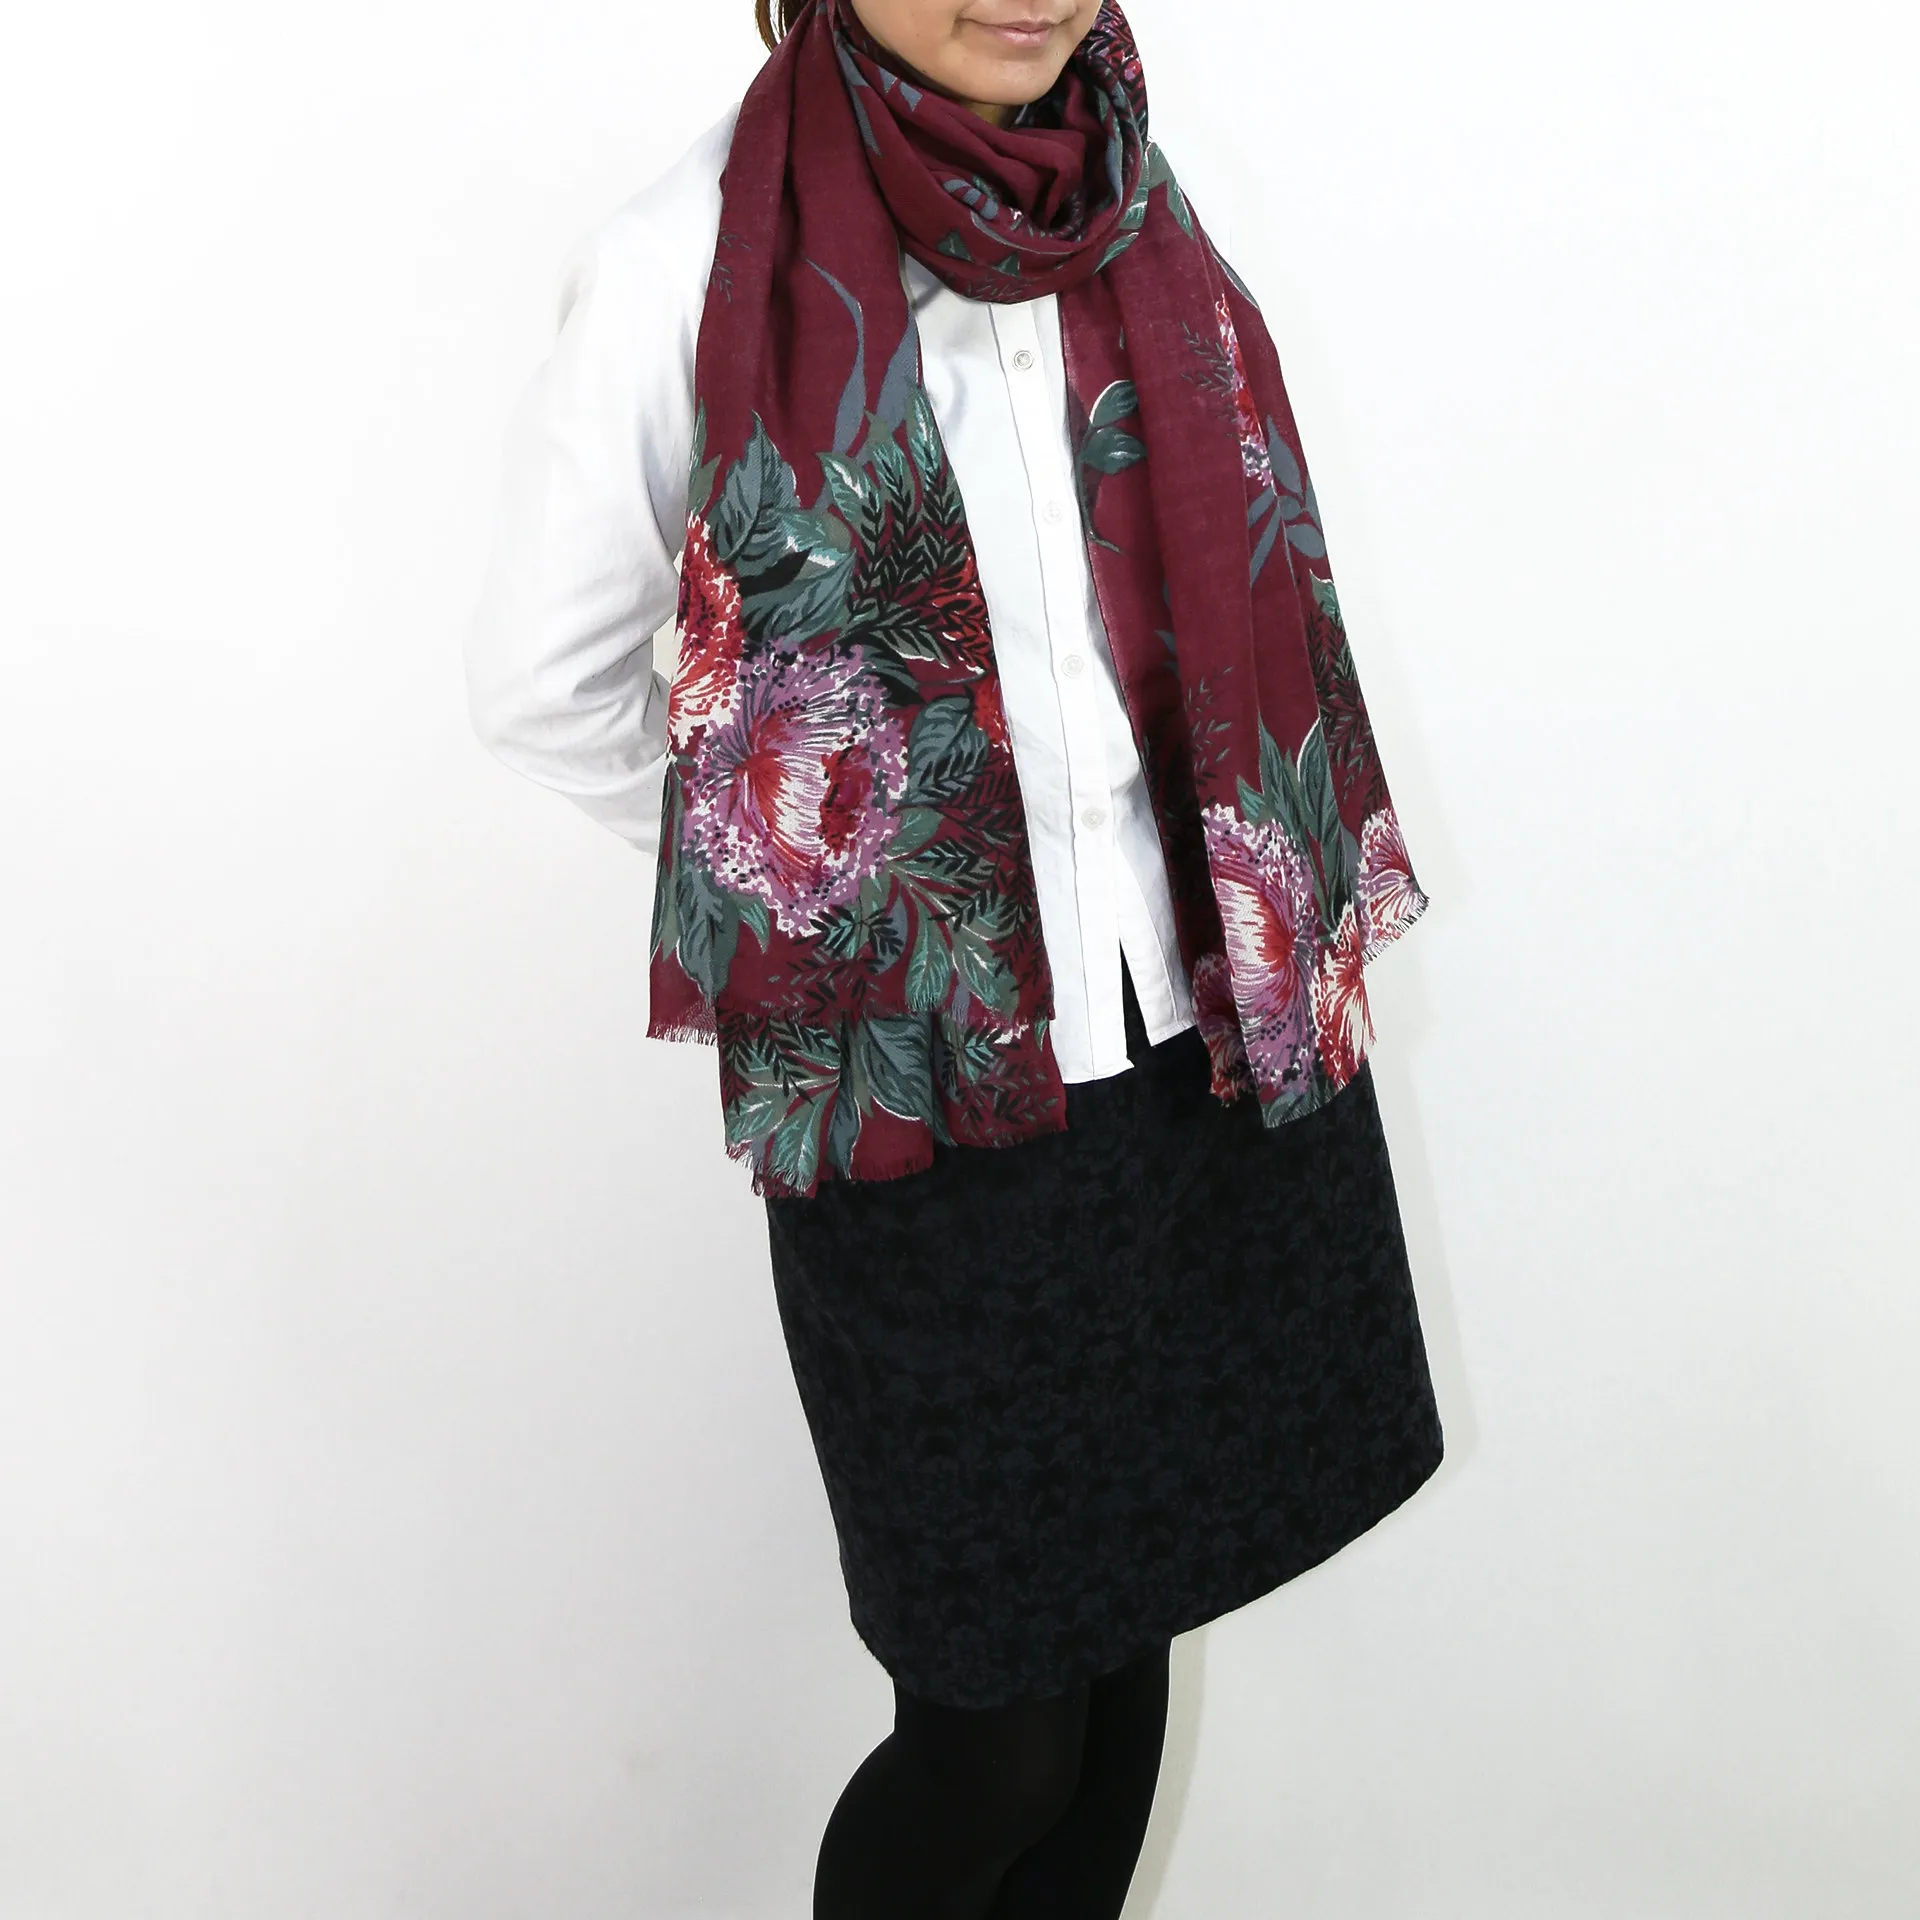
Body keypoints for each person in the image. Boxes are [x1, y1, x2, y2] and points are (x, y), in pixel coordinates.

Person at [467, 0, 1446, 1911]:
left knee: (1136, 1622)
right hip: (933, 1098)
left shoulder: (1124, 194)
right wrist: (823, 890)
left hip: (1200, 1039)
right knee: (993, 1735)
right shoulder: (688, 257)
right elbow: (543, 684)